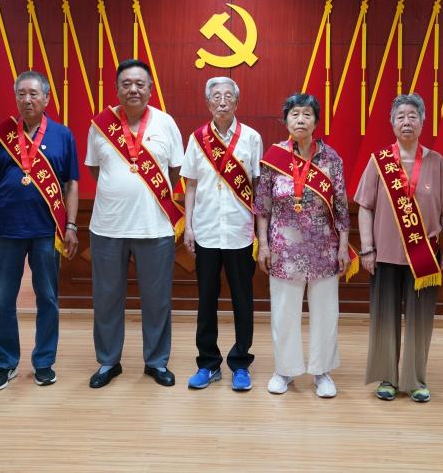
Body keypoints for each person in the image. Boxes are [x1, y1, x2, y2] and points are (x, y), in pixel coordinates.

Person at [0, 71, 80, 391]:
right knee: (3, 299)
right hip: (6, 230)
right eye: (21, 94)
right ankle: (5, 363)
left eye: (33, 93)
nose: (27, 99)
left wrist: (71, 225)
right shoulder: (0, 135)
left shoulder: (62, 135)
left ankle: (44, 362)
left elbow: (71, 184)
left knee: (47, 298)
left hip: (47, 230)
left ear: (46, 98)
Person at [86, 59, 185, 389]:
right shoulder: (100, 125)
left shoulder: (166, 123)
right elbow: (95, 169)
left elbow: (174, 171)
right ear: (117, 89)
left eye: (140, 84)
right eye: (126, 84)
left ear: (150, 89)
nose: (133, 89)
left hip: (154, 228)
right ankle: (108, 361)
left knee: (157, 300)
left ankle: (156, 362)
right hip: (107, 227)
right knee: (106, 299)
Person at [356, 93, 443, 404]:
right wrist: (367, 248)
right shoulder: (379, 161)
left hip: (423, 257)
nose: (406, 121)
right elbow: (365, 207)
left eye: (413, 116)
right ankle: (387, 377)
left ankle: (415, 379)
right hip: (385, 255)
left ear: (423, 122)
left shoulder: (435, 162)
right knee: (384, 317)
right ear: (391, 123)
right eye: (400, 116)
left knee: (420, 320)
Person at [255, 93, 350, 398]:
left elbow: (341, 206)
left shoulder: (331, 158)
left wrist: (343, 246)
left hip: (324, 247)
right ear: (286, 120)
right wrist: (263, 245)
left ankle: (322, 372)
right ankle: (285, 370)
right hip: (283, 248)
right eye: (294, 113)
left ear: (316, 122)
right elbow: (262, 206)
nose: (300, 119)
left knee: (325, 312)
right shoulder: (274, 157)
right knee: (284, 311)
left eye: (307, 114)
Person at [181, 77, 263, 391]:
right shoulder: (197, 138)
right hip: (205, 231)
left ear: (237, 102)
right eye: (216, 96)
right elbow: (190, 185)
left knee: (243, 300)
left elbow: (258, 187)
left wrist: (260, 232)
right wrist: (189, 226)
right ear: (208, 102)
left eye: (229, 96)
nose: (223, 101)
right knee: (206, 300)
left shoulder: (251, 138)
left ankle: (241, 363)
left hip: (240, 232)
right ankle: (208, 363)